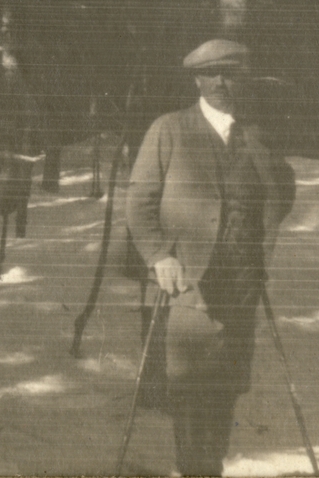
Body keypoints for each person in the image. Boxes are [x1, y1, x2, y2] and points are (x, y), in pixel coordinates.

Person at [126, 39, 295, 476]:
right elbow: (139, 202)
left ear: (243, 80)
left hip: (240, 283)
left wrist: (257, 245)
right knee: (188, 388)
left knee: (225, 389)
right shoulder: (168, 129)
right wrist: (159, 255)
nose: (221, 82)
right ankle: (193, 469)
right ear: (197, 79)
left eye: (231, 73)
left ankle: (209, 469)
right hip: (186, 283)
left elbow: (282, 194)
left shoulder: (257, 136)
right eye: (212, 73)